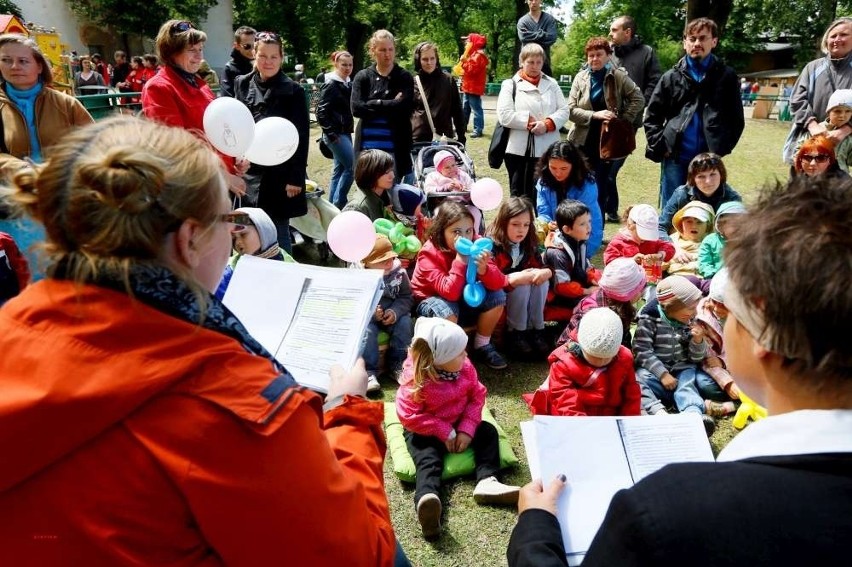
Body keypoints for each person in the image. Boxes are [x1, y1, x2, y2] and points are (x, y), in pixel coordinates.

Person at [0, 116, 398, 565]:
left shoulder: (13, 326)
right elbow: (356, 554)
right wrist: (348, 416)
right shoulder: (235, 408)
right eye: (227, 218)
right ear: (190, 238)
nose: (231, 232)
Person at [508, 175, 852, 567]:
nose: (713, 320)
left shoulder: (664, 514)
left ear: (763, 334)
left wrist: (535, 530)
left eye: (723, 312)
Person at [396, 317, 520, 539]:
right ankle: (428, 499)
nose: (466, 355)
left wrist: (466, 428)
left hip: (459, 420)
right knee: (427, 458)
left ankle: (487, 482)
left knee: (488, 432)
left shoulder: (465, 367)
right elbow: (408, 415)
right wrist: (442, 430)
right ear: (440, 360)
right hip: (426, 429)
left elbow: (477, 395)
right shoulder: (415, 380)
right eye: (460, 353)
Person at [0, 34, 94, 280]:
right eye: (6, 60)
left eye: (23, 61)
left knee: (70, 269)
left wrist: (61, 168)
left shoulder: (67, 104)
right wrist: (22, 169)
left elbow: (95, 144)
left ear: (39, 65)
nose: (14, 67)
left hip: (63, 197)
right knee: (26, 270)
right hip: (14, 202)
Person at [141, 20, 248, 199]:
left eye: (200, 49)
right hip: (195, 190)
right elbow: (176, 149)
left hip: (220, 186)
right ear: (172, 52)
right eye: (192, 50)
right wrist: (224, 177)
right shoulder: (159, 88)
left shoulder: (199, 84)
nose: (199, 56)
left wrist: (236, 156)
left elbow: (218, 130)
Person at [644, 18, 744, 207]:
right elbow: (652, 116)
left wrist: (721, 148)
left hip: (709, 159)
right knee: (672, 209)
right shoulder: (671, 77)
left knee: (707, 208)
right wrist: (661, 145)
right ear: (685, 42)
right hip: (675, 156)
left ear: (714, 41)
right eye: (692, 38)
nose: (697, 43)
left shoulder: (726, 76)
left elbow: (736, 119)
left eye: (703, 38)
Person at [234, 31, 309, 254]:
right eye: (263, 56)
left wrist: (295, 177)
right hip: (250, 172)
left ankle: (285, 274)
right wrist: (236, 161)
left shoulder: (293, 90)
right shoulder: (242, 83)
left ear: (281, 57)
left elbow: (301, 136)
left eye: (274, 57)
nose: (268, 62)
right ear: (254, 56)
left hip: (281, 173)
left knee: (277, 230)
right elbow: (237, 125)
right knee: (248, 228)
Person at [410, 200, 509, 370]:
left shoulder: (477, 244)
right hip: (432, 301)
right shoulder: (429, 252)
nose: (464, 237)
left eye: (468, 231)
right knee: (446, 309)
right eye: (456, 231)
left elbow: (500, 282)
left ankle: (482, 344)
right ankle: (452, 352)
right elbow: (450, 293)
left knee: (498, 296)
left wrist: (485, 270)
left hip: (463, 298)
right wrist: (460, 260)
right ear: (441, 231)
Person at [633, 275, 729, 433]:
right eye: (691, 308)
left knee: (686, 383)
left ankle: (693, 417)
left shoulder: (690, 320)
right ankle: (659, 413)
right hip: (656, 373)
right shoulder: (649, 320)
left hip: (682, 369)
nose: (694, 313)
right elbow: (641, 351)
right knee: (638, 380)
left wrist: (698, 342)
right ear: (671, 307)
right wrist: (662, 374)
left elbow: (695, 358)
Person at [566, 36, 644, 223]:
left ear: (608, 56)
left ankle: (597, 229)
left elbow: (638, 99)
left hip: (607, 142)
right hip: (581, 140)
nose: (595, 59)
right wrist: (594, 115)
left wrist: (622, 119)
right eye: (591, 55)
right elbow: (570, 110)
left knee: (599, 186)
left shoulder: (618, 76)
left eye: (599, 54)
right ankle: (576, 225)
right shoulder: (580, 77)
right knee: (577, 183)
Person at [525, 307, 640, 416]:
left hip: (610, 417)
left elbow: (631, 393)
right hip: (575, 417)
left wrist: (630, 421)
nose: (601, 362)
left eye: (607, 357)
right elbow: (565, 400)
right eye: (593, 356)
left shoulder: (624, 358)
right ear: (581, 344)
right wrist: (582, 426)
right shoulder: (563, 364)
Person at [496, 42, 569, 202]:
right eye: (530, 62)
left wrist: (547, 123)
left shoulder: (552, 83)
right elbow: (504, 115)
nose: (535, 66)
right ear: (522, 62)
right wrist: (529, 122)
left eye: (539, 62)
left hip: (547, 149)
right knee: (519, 197)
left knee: (546, 195)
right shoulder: (510, 84)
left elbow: (564, 110)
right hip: (518, 151)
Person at [607, 15, 661, 208]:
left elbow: (655, 81)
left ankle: (609, 209)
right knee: (603, 168)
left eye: (614, 30)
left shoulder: (646, 52)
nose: (610, 34)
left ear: (627, 32)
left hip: (629, 122)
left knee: (612, 168)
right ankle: (610, 210)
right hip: (605, 120)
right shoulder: (607, 52)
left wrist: (640, 104)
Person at [488, 196, 552, 358]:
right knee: (522, 285)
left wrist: (546, 272)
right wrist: (513, 279)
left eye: (526, 225)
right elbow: (490, 279)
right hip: (501, 294)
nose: (521, 230)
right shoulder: (492, 245)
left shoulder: (528, 242)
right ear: (503, 222)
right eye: (515, 224)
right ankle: (517, 332)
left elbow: (540, 264)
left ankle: (537, 328)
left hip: (522, 290)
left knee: (541, 281)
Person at [784, 18, 852, 164]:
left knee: (837, 186)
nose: (837, 39)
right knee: (801, 185)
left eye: (844, 35)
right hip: (810, 141)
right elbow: (797, 100)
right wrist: (813, 126)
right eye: (833, 36)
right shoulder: (813, 68)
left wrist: (844, 130)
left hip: (843, 147)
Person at [351, 29, 414, 183]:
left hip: (395, 148)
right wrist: (391, 103)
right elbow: (357, 108)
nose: (388, 54)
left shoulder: (404, 76)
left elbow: (405, 108)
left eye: (390, 49)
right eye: (382, 50)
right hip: (367, 149)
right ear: (373, 51)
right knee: (369, 193)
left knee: (393, 194)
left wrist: (372, 103)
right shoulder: (363, 76)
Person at [360, 234, 414, 391]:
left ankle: (398, 363)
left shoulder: (399, 274)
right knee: (367, 332)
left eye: (390, 258)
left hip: (391, 315)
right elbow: (356, 303)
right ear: (367, 263)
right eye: (383, 261)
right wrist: (371, 313)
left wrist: (395, 312)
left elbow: (407, 296)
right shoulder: (361, 278)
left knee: (404, 323)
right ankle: (369, 371)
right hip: (369, 319)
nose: (389, 263)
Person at [556, 257, 646, 349]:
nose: (642, 292)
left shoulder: (612, 300)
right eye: (641, 287)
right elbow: (572, 348)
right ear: (630, 293)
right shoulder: (597, 319)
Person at [535, 140, 603, 258]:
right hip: (552, 239)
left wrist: (563, 226)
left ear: (574, 166)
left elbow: (587, 220)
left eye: (564, 168)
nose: (558, 173)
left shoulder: (586, 186)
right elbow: (543, 211)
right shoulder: (543, 182)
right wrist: (547, 223)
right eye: (553, 167)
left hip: (581, 235)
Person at [214, 207, 296, 300]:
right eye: (233, 238)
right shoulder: (228, 273)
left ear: (263, 231)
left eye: (243, 234)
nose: (238, 242)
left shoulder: (289, 267)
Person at [658, 152, 742, 235]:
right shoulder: (681, 194)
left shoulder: (732, 199)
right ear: (693, 179)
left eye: (712, 174)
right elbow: (660, 227)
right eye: (701, 176)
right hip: (684, 245)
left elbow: (739, 232)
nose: (708, 181)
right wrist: (670, 247)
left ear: (721, 175)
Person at [542, 200, 600, 317]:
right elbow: (561, 287)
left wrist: (595, 280)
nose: (589, 227)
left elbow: (586, 267)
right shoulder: (557, 253)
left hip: (575, 285)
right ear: (567, 229)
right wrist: (587, 291)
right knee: (596, 304)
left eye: (589, 221)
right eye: (582, 224)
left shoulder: (578, 240)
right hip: (558, 297)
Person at [693, 268, 740, 409]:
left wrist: (723, 362)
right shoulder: (703, 318)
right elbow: (709, 359)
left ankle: (734, 405)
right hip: (718, 369)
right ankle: (742, 400)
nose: (718, 309)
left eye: (724, 305)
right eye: (714, 302)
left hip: (744, 365)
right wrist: (728, 383)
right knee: (704, 384)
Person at [316, 50, 355, 210]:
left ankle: (332, 207)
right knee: (352, 168)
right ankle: (339, 203)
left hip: (344, 132)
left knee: (339, 170)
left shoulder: (347, 83)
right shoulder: (331, 84)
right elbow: (320, 111)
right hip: (336, 134)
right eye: (343, 64)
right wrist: (330, 133)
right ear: (336, 64)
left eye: (350, 65)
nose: (347, 68)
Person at [411, 42, 465, 144]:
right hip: (418, 140)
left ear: (437, 59)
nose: (429, 62)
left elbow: (457, 111)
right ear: (418, 60)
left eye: (432, 58)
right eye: (425, 59)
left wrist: (461, 137)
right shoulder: (412, 82)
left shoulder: (448, 80)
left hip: (444, 139)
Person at [603, 205, 675, 273]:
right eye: (643, 233)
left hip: (650, 280)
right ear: (630, 225)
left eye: (649, 234)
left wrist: (660, 256)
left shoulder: (650, 241)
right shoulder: (617, 243)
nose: (646, 238)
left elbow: (669, 247)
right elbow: (610, 264)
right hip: (627, 282)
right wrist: (631, 261)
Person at [796, 89, 852, 172]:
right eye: (837, 111)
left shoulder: (849, 136)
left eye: (848, 111)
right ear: (828, 112)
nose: (842, 115)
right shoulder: (814, 131)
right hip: (814, 177)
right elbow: (798, 154)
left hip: (839, 180)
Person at [697, 201, 746, 279]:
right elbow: (704, 263)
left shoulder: (749, 241)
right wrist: (712, 275)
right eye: (734, 224)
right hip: (715, 278)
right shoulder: (710, 241)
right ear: (720, 226)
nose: (739, 228)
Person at [664, 201, 714, 278]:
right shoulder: (672, 240)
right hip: (678, 280)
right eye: (689, 221)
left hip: (707, 281)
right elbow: (658, 264)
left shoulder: (715, 241)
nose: (694, 226)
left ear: (708, 225)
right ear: (681, 223)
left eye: (699, 222)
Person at [344, 149, 394, 221]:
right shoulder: (357, 208)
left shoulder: (384, 196)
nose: (392, 176)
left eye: (391, 170)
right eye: (386, 172)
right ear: (369, 173)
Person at [517, 0, 558, 77]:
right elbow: (523, 37)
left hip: (544, 65)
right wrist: (542, 33)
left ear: (541, 0)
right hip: (526, 65)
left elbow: (552, 37)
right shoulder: (522, 21)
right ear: (527, 1)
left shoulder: (549, 19)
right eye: (531, 0)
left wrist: (530, 37)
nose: (534, 2)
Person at [459, 33, 488, 138]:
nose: (466, 43)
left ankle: (478, 129)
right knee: (465, 107)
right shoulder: (472, 54)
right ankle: (462, 126)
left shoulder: (479, 56)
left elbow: (472, 70)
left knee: (476, 109)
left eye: (468, 40)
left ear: (474, 42)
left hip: (474, 88)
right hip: (468, 87)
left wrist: (464, 62)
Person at [221, 25, 256, 97]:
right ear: (237, 46)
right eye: (247, 46)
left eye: (255, 45)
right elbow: (227, 98)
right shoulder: (229, 68)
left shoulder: (262, 65)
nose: (252, 50)